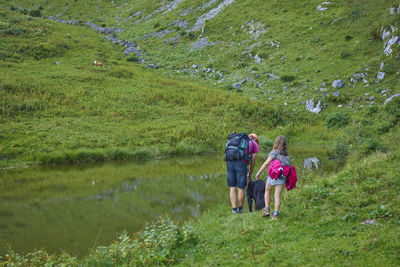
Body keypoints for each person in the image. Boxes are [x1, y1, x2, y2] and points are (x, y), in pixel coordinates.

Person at [255, 135, 290, 219]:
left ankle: (267, 210)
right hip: (281, 178)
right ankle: (275, 214)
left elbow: (266, 163)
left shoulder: (274, 153)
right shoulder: (286, 156)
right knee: (277, 196)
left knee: (267, 191)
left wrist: (259, 172)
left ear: (276, 143)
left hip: (272, 177)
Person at [226, 133, 259, 214]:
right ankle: (240, 210)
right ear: (254, 139)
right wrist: (250, 172)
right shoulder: (253, 143)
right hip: (241, 164)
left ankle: (234, 210)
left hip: (229, 162)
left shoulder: (235, 140)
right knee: (241, 188)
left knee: (232, 187)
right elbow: (253, 160)